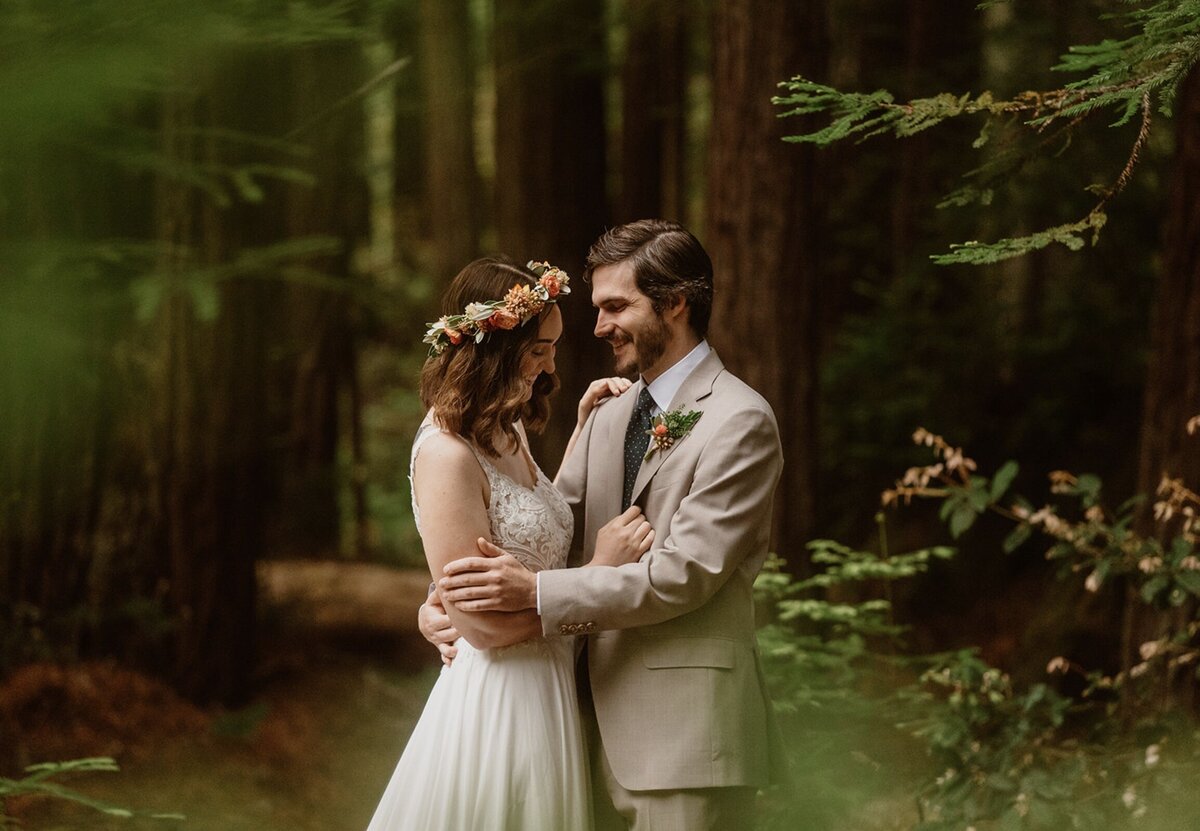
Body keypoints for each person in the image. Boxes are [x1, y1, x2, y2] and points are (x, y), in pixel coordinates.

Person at [429, 220, 786, 831]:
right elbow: (545, 535)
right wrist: (447, 602)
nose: (597, 327)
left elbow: (684, 574)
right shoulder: (609, 412)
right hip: (570, 725)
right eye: (597, 307)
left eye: (616, 306)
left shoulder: (739, 420)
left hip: (684, 741)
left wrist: (535, 594)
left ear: (675, 303)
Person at [366, 256, 654, 830]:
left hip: (547, 688)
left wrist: (583, 428)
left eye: (553, 345)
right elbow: (478, 628)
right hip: (501, 700)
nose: (551, 364)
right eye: (538, 348)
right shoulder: (446, 454)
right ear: (493, 350)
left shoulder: (506, 426)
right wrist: (597, 572)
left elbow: (538, 522)